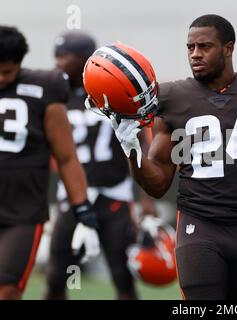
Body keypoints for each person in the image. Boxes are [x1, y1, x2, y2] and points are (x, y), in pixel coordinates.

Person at [95, 14, 237, 299]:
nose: (195, 54)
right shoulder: (172, 100)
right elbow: (158, 184)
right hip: (199, 228)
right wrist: (132, 149)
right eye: (190, 47)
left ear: (228, 48)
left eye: (204, 46)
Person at [44, 31, 155, 300]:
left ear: (84, 59)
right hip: (72, 196)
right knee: (56, 275)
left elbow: (141, 139)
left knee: (122, 276)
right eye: (56, 57)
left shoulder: (110, 89)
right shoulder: (53, 94)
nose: (58, 63)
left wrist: (146, 198)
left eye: (63, 56)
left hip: (113, 194)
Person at [0, 26, 99, 300]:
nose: (0, 78)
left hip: (22, 212)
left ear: (19, 64)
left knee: (7, 289)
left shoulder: (44, 87)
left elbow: (66, 155)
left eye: (6, 72)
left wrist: (80, 204)